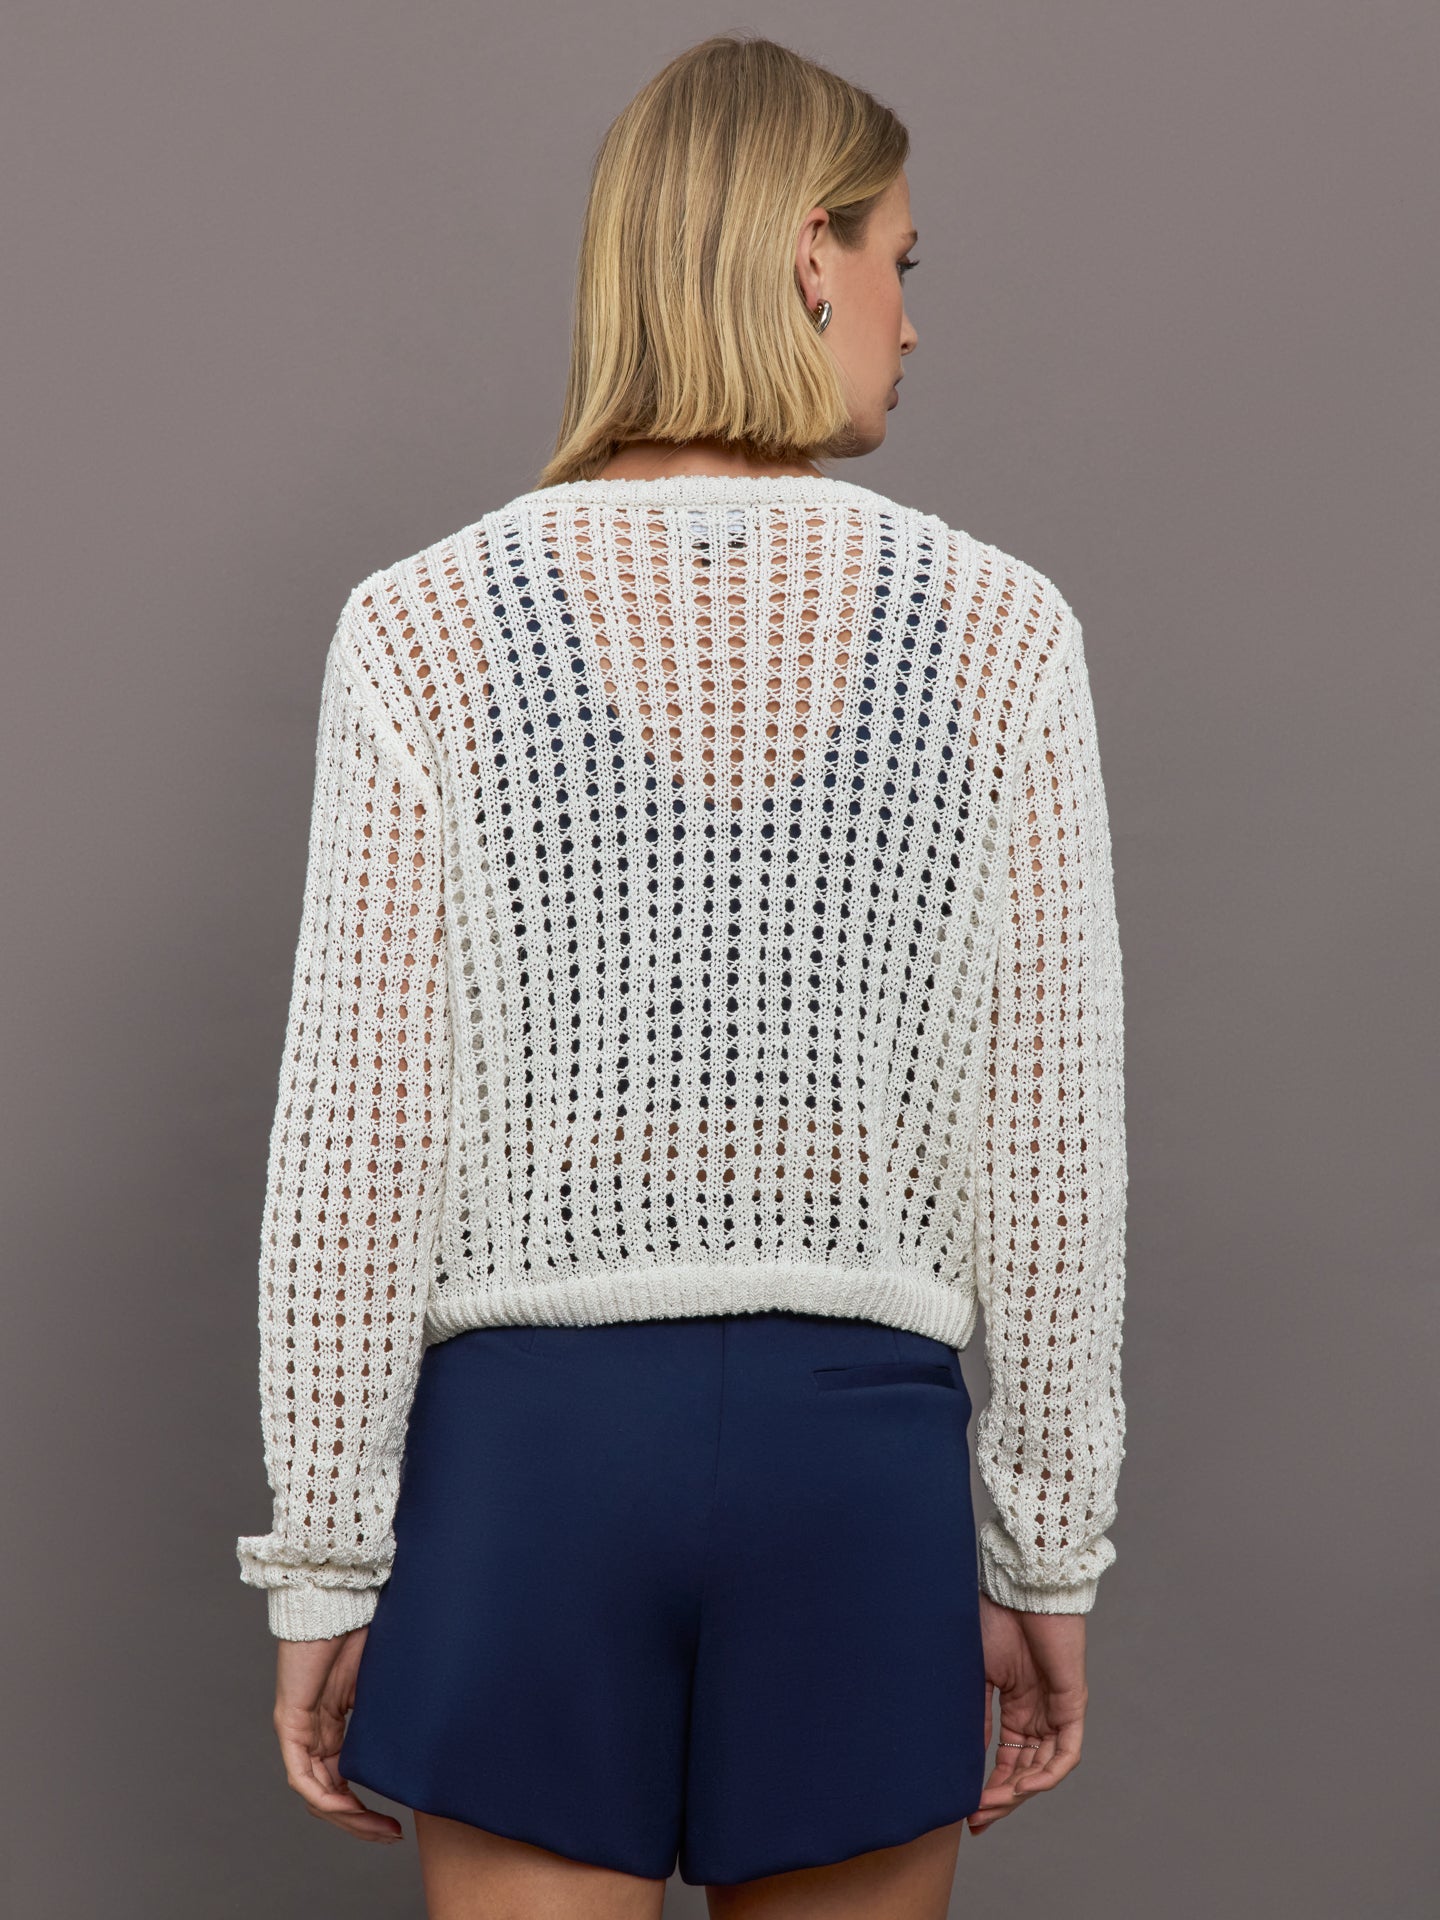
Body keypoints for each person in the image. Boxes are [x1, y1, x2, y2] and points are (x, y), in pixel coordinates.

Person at [235, 31, 1128, 1920]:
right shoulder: (1005, 631)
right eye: (900, 259)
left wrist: (325, 1560)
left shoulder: (421, 627)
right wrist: (1045, 1551)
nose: (912, 319)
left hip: (528, 1472)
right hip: (857, 1459)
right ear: (811, 254)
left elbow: (357, 1141)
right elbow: (1048, 1146)